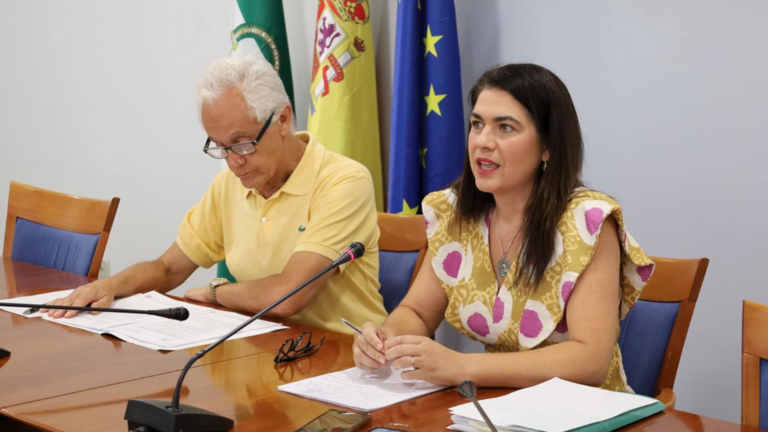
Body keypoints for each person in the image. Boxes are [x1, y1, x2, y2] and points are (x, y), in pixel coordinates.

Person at [353, 64, 655, 392]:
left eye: (505, 128)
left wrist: (463, 366)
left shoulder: (588, 222)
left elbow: (590, 360)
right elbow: (417, 311)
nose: (482, 141)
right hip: (496, 407)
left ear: (547, 146)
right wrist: (386, 340)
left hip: (583, 414)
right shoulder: (457, 214)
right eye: (477, 124)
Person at [43, 56, 387, 334]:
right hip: (261, 349)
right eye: (220, 146)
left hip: (343, 361)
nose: (235, 161)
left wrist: (215, 293)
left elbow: (288, 294)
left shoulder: (343, 182)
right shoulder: (231, 184)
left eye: (243, 142)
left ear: (282, 120)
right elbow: (167, 268)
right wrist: (110, 286)